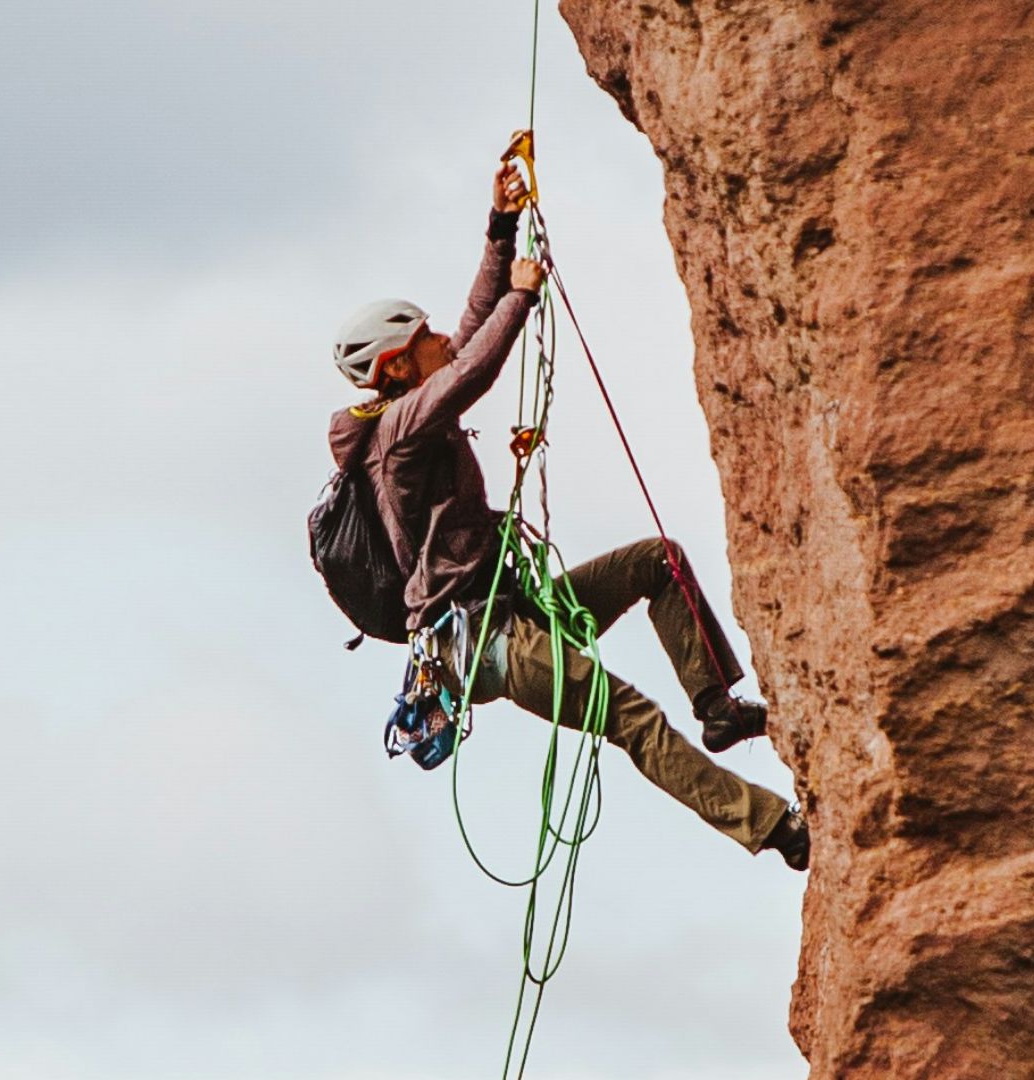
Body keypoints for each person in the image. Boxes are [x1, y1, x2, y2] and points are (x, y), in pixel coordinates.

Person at [325, 142, 808, 871]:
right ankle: (774, 829)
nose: (441, 341)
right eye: (423, 340)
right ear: (395, 366)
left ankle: (717, 710)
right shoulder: (398, 433)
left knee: (659, 563)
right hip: (486, 640)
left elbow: (468, 336)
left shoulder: (408, 408)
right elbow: (474, 368)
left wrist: (500, 226)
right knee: (632, 719)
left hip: (512, 610)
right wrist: (522, 295)